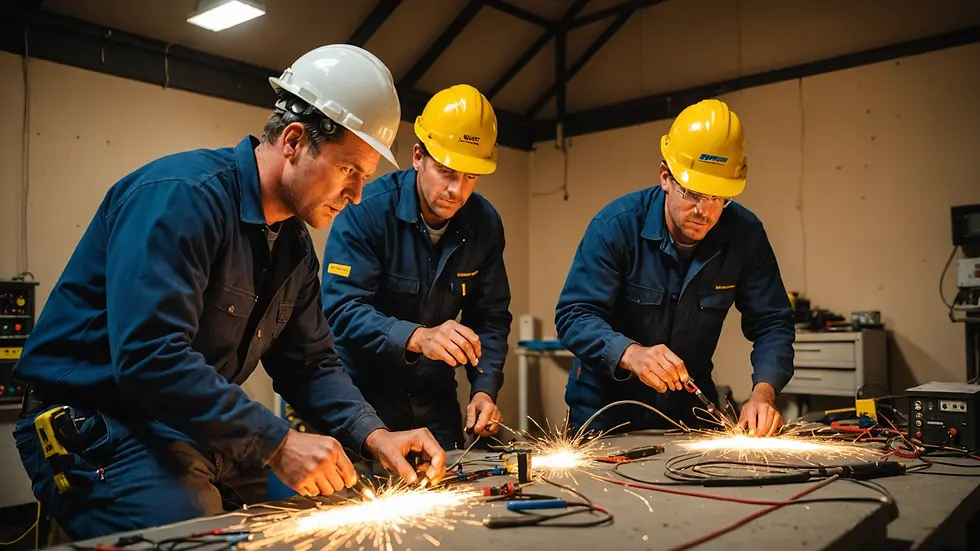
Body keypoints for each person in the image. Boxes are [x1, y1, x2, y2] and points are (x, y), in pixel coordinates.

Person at [12, 45, 446, 541]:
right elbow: (149, 358)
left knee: (337, 508)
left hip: (181, 428)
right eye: (349, 170)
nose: (356, 194)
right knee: (198, 532)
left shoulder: (293, 246)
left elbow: (311, 364)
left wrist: (375, 436)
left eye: (365, 177)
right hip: (96, 426)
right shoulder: (180, 199)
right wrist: (279, 442)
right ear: (294, 140)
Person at [555, 99, 795, 438]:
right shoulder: (615, 226)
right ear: (666, 176)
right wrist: (631, 353)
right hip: (605, 409)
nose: (705, 211)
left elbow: (772, 322)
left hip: (689, 407)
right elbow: (574, 315)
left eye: (718, 197)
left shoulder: (745, 234)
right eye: (693, 194)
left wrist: (763, 394)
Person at [321, 84, 512, 450]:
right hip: (360, 399)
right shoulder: (366, 210)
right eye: (445, 171)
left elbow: (489, 317)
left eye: (470, 176)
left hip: (434, 399)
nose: (457, 190)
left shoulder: (485, 223)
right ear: (418, 156)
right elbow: (342, 310)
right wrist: (418, 337)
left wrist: (484, 390)